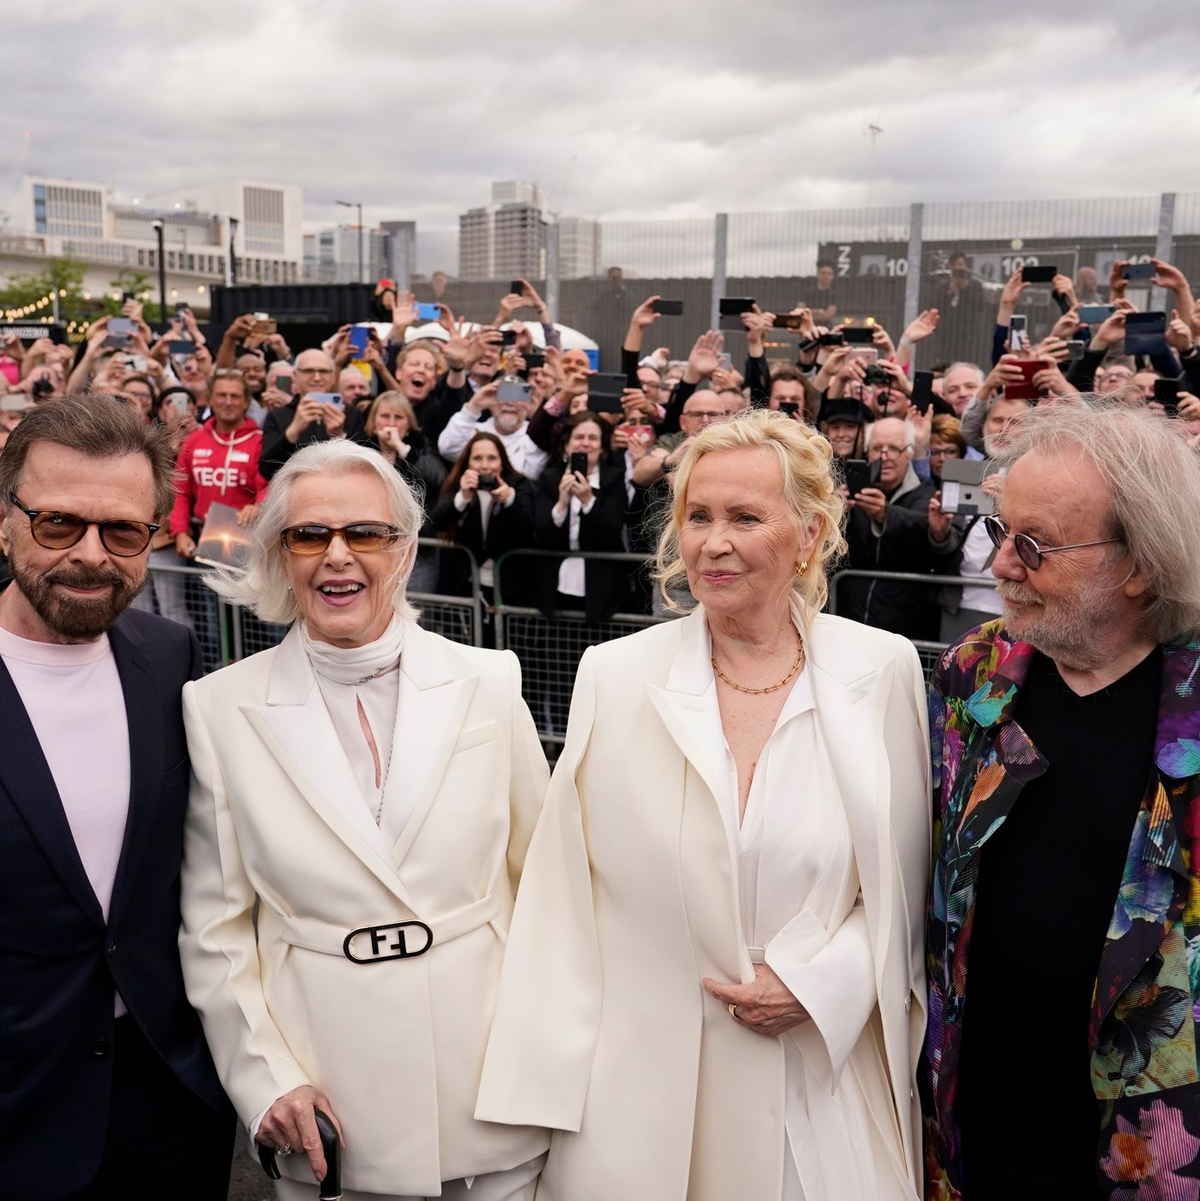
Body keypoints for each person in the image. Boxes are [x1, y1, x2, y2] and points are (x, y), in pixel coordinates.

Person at [478, 408, 929, 1201]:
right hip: (641, 1105)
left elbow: (897, 889)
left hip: (816, 1101)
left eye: (746, 517)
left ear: (811, 531)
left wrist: (821, 984)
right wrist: (529, 1128)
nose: (712, 543)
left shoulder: (882, 670)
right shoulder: (613, 676)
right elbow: (561, 907)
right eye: (697, 516)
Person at [179, 439, 550, 1200]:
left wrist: (550, 1055)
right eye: (309, 535)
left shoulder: (488, 680)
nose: (336, 557)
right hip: (330, 1115)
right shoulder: (218, 708)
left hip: (494, 1095)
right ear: (281, 555)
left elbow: (550, 884)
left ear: (405, 552)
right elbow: (214, 931)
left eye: (365, 534)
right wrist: (268, 1083)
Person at [921, 402, 1200, 1200]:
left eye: (1034, 545)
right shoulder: (973, 678)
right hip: (975, 1137)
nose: (1001, 564)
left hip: (1145, 1156)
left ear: (1140, 563)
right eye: (1002, 531)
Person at [0, 396, 232, 1197]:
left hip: (171, 1106)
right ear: (6, 520)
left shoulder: (171, 653)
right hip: (17, 1112)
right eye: (59, 523)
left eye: (123, 531)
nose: (90, 555)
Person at [838, 416, 940, 640]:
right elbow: (835, 549)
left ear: (909, 453)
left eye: (893, 449)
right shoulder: (850, 489)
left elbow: (926, 530)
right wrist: (836, 511)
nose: (884, 457)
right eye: (876, 448)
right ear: (867, 453)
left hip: (904, 618)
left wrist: (886, 514)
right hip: (850, 612)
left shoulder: (925, 491)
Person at [532, 412, 630, 623]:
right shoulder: (549, 478)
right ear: (566, 444)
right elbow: (541, 531)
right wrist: (562, 503)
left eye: (593, 438)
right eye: (579, 437)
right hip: (553, 584)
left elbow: (612, 533)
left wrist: (588, 501)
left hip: (601, 585)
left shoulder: (613, 479)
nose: (585, 443)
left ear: (602, 446)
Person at [431, 432, 536, 597]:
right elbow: (437, 521)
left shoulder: (518, 484)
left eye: (492, 458)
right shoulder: (460, 484)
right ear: (468, 463)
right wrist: (463, 497)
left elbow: (529, 530)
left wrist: (509, 500)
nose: (485, 465)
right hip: (466, 581)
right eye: (477, 458)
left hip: (509, 584)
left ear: (502, 462)